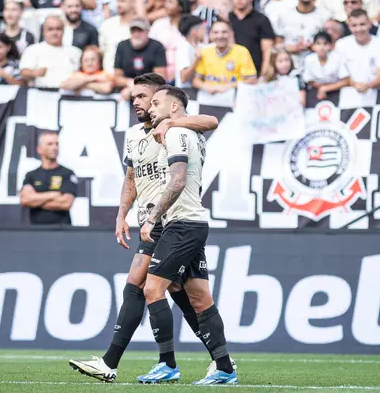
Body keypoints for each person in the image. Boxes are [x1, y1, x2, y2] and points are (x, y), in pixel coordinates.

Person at [69, 73, 225, 383]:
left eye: (145, 98)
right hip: (155, 221)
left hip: (169, 221)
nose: (138, 103)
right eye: (136, 98)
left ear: (162, 100)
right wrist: (121, 213)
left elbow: (210, 121)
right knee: (188, 294)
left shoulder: (177, 128)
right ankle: (221, 359)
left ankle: (120, 362)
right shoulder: (133, 135)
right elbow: (131, 178)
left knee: (140, 286)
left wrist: (170, 122)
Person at [137, 85, 237, 385]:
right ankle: (224, 368)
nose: (151, 109)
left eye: (157, 103)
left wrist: (153, 217)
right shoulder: (189, 132)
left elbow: (178, 180)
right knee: (200, 299)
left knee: (152, 289)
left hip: (181, 224)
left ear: (175, 108)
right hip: (193, 223)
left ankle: (167, 364)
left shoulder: (178, 133)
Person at [20, 131, 78, 225]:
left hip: (62, 231)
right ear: (39, 149)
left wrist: (36, 200)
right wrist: (53, 195)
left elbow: (66, 203)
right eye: (50, 144)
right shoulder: (31, 175)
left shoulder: (67, 173)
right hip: (36, 231)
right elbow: (25, 200)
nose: (54, 147)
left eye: (56, 144)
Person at [192, 20, 257, 95]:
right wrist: (206, 86)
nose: (220, 36)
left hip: (236, 99)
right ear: (211, 35)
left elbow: (252, 79)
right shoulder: (205, 52)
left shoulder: (242, 52)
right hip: (210, 99)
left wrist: (227, 87)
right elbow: (195, 81)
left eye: (224, 32)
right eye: (216, 32)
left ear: (231, 34)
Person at [335, 9, 380, 96]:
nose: (358, 29)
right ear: (349, 27)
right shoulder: (341, 45)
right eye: (354, 25)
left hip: (378, 94)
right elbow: (343, 74)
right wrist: (356, 85)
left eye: (362, 24)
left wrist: (367, 86)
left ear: (369, 24)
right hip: (349, 94)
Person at [20, 15, 82, 88]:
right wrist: (35, 73)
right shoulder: (33, 50)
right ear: (44, 32)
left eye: (58, 29)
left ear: (64, 30)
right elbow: (23, 73)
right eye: (50, 29)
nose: (55, 33)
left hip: (70, 94)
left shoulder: (76, 52)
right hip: (42, 94)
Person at [113, 17, 167, 100]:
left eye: (140, 30)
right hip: (126, 92)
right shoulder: (122, 46)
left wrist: (135, 88)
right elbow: (117, 78)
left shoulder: (157, 47)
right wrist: (130, 83)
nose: (136, 34)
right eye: (133, 31)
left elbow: (160, 78)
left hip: (151, 94)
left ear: (148, 31)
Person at [275, 0, 329, 72]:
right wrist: (295, 48)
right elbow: (277, 44)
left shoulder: (324, 15)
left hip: (318, 69)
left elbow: (330, 44)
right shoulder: (285, 15)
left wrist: (313, 46)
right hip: (290, 68)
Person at [229, 0, 275, 76]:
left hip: (255, 74)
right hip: (229, 73)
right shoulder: (226, 20)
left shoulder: (262, 20)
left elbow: (267, 51)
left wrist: (263, 75)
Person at [149, 0, 191, 82]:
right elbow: (150, 47)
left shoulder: (190, 26)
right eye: (165, 2)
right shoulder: (159, 24)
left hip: (182, 74)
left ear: (180, 7)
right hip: (159, 73)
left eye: (170, 2)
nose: (166, 5)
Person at [302, 31, 350, 100]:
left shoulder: (337, 58)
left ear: (331, 46)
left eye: (325, 44)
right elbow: (309, 80)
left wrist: (326, 88)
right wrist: (321, 88)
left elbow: (345, 81)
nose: (321, 47)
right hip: (317, 89)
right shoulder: (309, 59)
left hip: (336, 90)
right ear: (313, 46)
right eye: (318, 44)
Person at [99, 0, 135, 73]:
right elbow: (102, 51)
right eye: (117, 1)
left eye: (123, 1)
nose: (118, 4)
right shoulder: (107, 25)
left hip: (130, 78)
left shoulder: (138, 27)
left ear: (133, 2)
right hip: (108, 76)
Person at [175, 14, 206, 88]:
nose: (205, 31)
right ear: (195, 32)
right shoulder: (184, 47)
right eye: (203, 28)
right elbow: (183, 78)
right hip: (186, 91)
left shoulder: (200, 46)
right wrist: (197, 59)